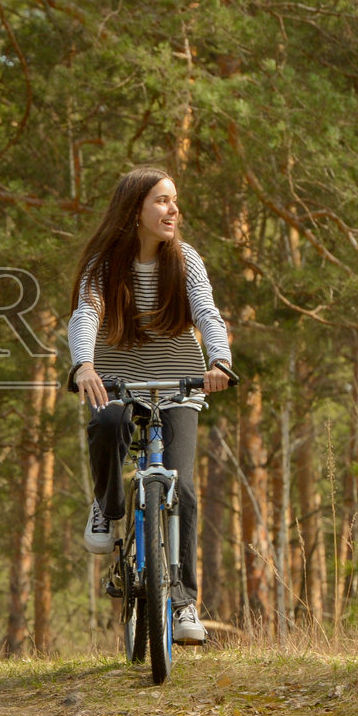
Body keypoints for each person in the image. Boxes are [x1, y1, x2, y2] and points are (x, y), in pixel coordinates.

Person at [67, 168, 232, 646]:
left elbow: (206, 311)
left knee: (184, 490)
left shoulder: (186, 261)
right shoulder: (104, 265)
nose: (173, 210)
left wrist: (219, 359)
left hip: (179, 383)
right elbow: (86, 315)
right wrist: (83, 366)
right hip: (118, 382)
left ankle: (182, 604)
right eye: (162, 201)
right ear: (134, 210)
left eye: (175, 201)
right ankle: (105, 503)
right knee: (107, 421)